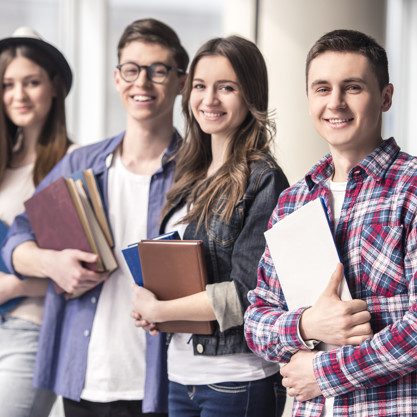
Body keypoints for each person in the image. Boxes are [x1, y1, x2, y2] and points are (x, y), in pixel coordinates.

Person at [2, 18, 188, 417]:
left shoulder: (198, 172)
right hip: (85, 375)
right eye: (132, 70)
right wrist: (52, 263)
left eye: (158, 71)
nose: (143, 83)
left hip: (162, 382)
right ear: (117, 79)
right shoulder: (80, 163)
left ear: (181, 82)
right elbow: (18, 237)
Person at [244, 28, 417, 417]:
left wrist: (324, 372)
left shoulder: (412, 189)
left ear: (386, 97)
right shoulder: (293, 202)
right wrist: (306, 326)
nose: (335, 103)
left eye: (352, 87)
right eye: (322, 89)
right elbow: (256, 321)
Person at [131, 35, 289, 417]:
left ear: (250, 95)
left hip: (237, 379)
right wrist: (154, 308)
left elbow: (246, 294)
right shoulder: (189, 172)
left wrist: (162, 309)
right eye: (200, 86)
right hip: (181, 374)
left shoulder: (263, 179)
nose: (209, 99)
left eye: (226, 88)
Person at [0, 27, 73, 417]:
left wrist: (10, 286)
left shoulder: (72, 163)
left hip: (30, 331)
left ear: (55, 87)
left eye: (31, 82)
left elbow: (80, 265)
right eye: (8, 84)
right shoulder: (3, 165)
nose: (18, 95)